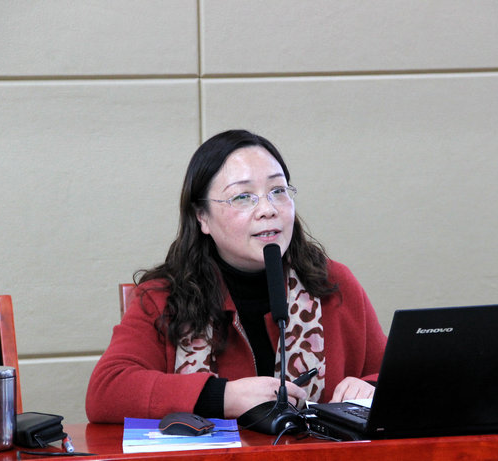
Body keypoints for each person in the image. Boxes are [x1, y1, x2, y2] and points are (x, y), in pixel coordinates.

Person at [85, 129, 387, 423]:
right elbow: (106, 391)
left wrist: (370, 389)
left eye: (278, 191)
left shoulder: (331, 282)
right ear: (202, 217)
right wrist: (223, 397)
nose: (267, 209)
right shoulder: (163, 296)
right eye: (243, 197)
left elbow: (396, 377)